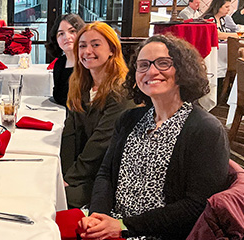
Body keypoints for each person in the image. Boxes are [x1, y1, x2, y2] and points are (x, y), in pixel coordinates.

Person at [78, 34, 230, 240]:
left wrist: (123, 226)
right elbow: (105, 174)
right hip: (114, 225)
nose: (151, 71)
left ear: (183, 70)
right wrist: (99, 216)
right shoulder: (130, 118)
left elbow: (197, 206)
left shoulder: (205, 129)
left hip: (159, 234)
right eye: (143, 65)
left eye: (163, 63)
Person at [60, 22, 136, 209]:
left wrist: (71, 178)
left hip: (109, 175)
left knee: (51, 198)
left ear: (112, 49)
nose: (87, 51)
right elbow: (71, 133)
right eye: (83, 46)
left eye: (95, 45)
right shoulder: (80, 84)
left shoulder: (121, 90)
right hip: (84, 170)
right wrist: (61, 174)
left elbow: (101, 142)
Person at [45, 13, 86, 107]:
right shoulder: (59, 64)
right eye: (61, 34)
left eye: (72, 31)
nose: (66, 37)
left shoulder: (89, 64)